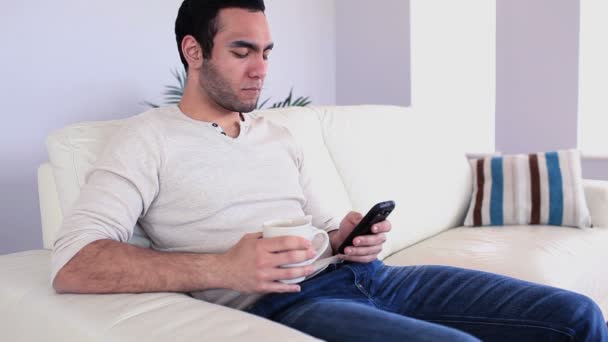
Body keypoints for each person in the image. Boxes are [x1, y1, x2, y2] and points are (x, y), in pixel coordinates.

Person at [51, 0, 608, 341]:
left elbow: (328, 220)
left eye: (268, 51)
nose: (261, 70)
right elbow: (74, 262)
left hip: (374, 278)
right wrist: (223, 267)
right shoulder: (145, 139)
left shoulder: (279, 131)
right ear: (193, 52)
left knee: (577, 316)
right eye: (243, 51)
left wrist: (350, 235)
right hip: (292, 302)